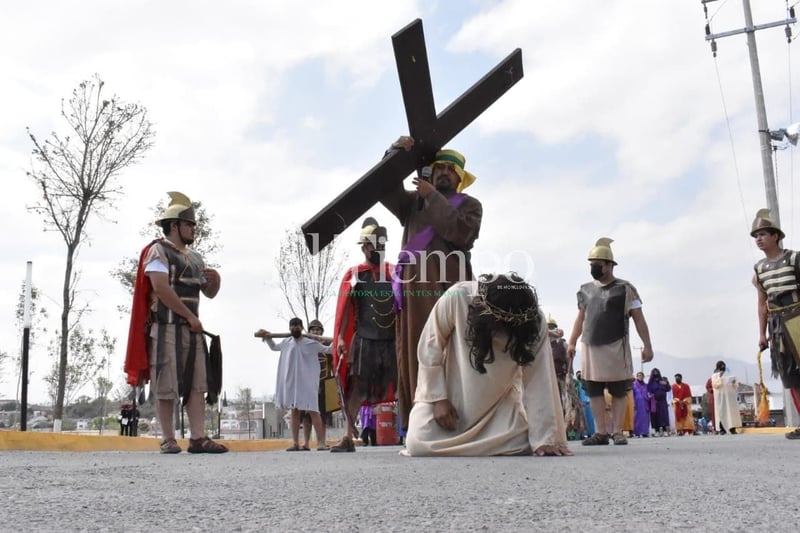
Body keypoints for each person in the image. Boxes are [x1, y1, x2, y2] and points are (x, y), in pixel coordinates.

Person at [402, 273, 571, 457]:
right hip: (450, 401)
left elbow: (539, 380)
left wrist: (543, 440)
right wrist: (437, 399)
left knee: (528, 441)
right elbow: (430, 346)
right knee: (417, 443)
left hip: (498, 408)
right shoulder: (457, 296)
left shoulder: (534, 320)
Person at [381, 137, 483, 431]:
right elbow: (386, 188)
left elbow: (461, 233)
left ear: (460, 177)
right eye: (440, 168)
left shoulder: (471, 205)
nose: (444, 173)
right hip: (415, 290)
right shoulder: (414, 203)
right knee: (415, 347)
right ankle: (420, 420)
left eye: (451, 170)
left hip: (452, 288)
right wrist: (396, 153)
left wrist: (433, 197)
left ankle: (461, 418)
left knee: (455, 348)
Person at [124, 191, 227, 454]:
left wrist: (216, 282)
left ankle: (198, 437)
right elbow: (161, 288)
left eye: (193, 224)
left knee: (197, 383)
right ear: (174, 226)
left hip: (192, 330)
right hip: (166, 327)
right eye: (189, 224)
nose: (193, 229)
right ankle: (168, 439)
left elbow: (208, 292)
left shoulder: (195, 258)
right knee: (166, 383)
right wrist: (190, 316)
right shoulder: (158, 251)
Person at [567, 237, 654, 446]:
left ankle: (617, 431)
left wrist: (647, 345)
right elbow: (581, 318)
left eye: (597, 265)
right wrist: (571, 342)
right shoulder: (585, 289)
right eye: (591, 265)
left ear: (609, 265)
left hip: (617, 344)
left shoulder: (625, 289)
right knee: (593, 388)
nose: (593, 268)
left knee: (618, 388)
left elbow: (639, 318)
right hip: (590, 344)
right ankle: (600, 432)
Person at [330, 217, 398, 453]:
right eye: (374, 244)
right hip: (365, 340)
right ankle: (348, 437)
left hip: (392, 340)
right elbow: (346, 308)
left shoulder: (394, 272)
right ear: (365, 247)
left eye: (382, 243)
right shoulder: (355, 274)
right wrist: (339, 338)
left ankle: (412, 433)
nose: (379, 247)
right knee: (356, 390)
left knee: (403, 386)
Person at [751, 208, 800, 440]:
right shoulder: (759, 268)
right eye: (756, 236)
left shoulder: (794, 258)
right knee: (790, 375)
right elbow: (762, 303)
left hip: (798, 317)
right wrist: (762, 333)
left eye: (763, 234)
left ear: (776, 236)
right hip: (777, 325)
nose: (759, 239)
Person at [260, 318, 333, 451]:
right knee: (295, 411)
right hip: (293, 384)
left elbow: (329, 350)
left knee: (314, 411)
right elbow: (274, 347)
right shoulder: (286, 343)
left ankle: (321, 443)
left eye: (297, 326)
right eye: (292, 327)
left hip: (309, 383)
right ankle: (295, 443)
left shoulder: (311, 343)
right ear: (290, 329)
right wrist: (267, 337)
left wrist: (338, 338)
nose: (295, 329)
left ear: (301, 327)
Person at [548, 314, 586, 440]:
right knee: (550, 406)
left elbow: (569, 358)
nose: (551, 329)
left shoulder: (562, 344)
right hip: (547, 380)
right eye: (549, 327)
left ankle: (567, 431)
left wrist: (569, 374)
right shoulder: (541, 343)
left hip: (562, 379)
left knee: (567, 405)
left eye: (552, 326)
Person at [299, 319, 332, 451]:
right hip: (307, 383)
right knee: (306, 416)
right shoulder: (304, 345)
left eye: (318, 330)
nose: (315, 332)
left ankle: (321, 442)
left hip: (324, 382)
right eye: (313, 330)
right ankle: (306, 443)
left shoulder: (328, 345)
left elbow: (332, 363)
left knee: (322, 415)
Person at [710, 360, 741, 435]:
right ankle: (722, 429)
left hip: (729, 398)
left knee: (731, 414)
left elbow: (736, 385)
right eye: (721, 366)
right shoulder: (714, 376)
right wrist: (720, 377)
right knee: (721, 413)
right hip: (721, 397)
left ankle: (732, 429)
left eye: (724, 366)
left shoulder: (729, 374)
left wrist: (734, 382)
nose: (723, 368)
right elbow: (715, 385)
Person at [647, 369, 670, 437]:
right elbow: (648, 390)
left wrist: (666, 384)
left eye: (657, 372)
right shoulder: (650, 382)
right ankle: (657, 431)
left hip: (662, 402)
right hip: (654, 402)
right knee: (655, 416)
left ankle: (665, 430)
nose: (655, 373)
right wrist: (650, 395)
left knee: (663, 416)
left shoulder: (662, 381)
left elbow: (668, 389)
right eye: (654, 372)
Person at [632, 372, 650, 437]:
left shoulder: (646, 385)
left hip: (645, 403)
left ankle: (645, 432)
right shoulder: (634, 385)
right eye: (639, 376)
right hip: (637, 404)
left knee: (645, 418)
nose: (640, 377)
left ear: (643, 377)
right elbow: (632, 395)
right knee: (637, 418)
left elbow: (648, 393)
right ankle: (637, 432)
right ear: (637, 377)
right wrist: (633, 403)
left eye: (641, 376)